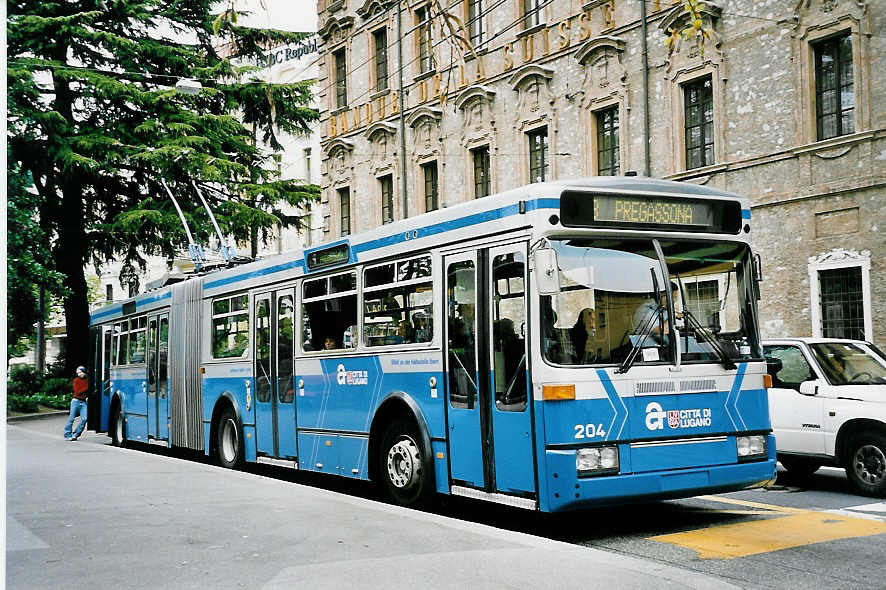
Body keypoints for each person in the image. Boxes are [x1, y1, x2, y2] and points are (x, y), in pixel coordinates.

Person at [64, 366, 89, 441]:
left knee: (85, 419)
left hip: (84, 402)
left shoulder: (88, 380)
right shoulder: (76, 380)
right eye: (78, 373)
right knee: (71, 418)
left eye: (80, 372)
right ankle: (68, 435)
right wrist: (88, 387)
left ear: (84, 372)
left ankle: (76, 434)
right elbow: (77, 391)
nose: (79, 374)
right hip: (75, 401)